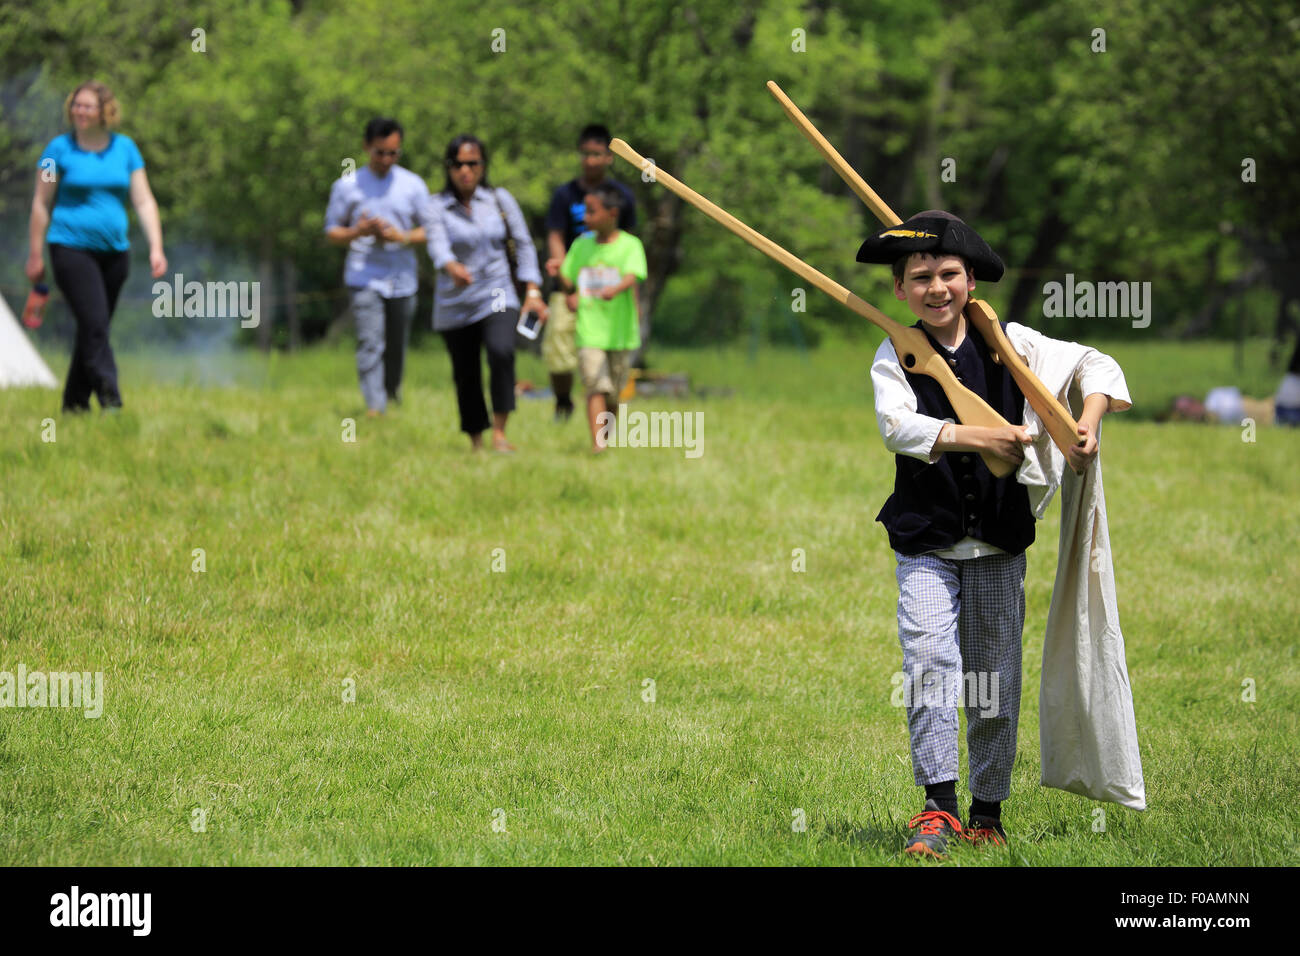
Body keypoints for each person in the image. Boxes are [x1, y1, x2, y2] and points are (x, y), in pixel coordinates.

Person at [861, 210, 1131, 858]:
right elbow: (899, 427)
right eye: (920, 277)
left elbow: (1097, 365)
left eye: (948, 274)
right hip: (926, 544)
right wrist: (982, 436)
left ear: (970, 280)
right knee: (930, 668)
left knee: (993, 681)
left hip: (997, 549)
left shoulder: (1013, 345)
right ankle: (937, 809)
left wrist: (1083, 422)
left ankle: (987, 812)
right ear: (900, 289)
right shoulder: (896, 353)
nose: (936, 288)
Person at [26, 80, 167, 412]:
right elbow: (40, 204)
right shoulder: (55, 152)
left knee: (95, 327)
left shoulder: (126, 149)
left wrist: (156, 247)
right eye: (76, 104)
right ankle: (111, 401)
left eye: (88, 105)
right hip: (70, 248)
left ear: (105, 110)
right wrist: (35, 253)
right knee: (94, 324)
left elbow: (144, 201)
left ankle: (74, 405)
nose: (80, 111)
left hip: (116, 252)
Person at [425, 134, 545, 452]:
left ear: (482, 165)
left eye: (472, 163)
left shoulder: (499, 200)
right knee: (466, 372)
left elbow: (523, 243)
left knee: (501, 351)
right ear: (448, 168)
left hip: (496, 292)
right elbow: (436, 244)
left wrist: (532, 288)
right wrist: (450, 266)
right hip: (456, 300)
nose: (465, 170)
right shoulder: (436, 206)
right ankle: (476, 439)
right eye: (458, 164)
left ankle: (500, 433)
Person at [324, 117, 428, 417]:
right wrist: (359, 231)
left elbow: (432, 229)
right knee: (371, 341)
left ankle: (391, 391)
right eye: (380, 152)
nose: (386, 159)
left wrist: (401, 236)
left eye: (393, 153)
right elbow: (332, 231)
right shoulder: (346, 186)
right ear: (366, 147)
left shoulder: (413, 185)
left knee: (395, 345)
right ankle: (374, 406)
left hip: (402, 277)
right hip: (364, 276)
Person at [544, 124, 638, 422]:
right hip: (571, 281)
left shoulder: (621, 196)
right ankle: (562, 400)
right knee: (559, 355)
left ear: (609, 157)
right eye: (585, 154)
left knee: (608, 366)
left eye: (597, 154)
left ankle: (606, 428)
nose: (591, 160)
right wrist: (568, 285)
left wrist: (629, 296)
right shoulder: (565, 194)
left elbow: (628, 247)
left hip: (608, 293)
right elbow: (555, 236)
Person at [559, 184, 647, 453]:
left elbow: (634, 275)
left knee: (613, 393)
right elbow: (568, 276)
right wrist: (567, 289)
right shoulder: (581, 245)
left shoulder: (630, 245)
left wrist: (617, 288)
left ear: (612, 213)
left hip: (619, 332)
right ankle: (598, 445)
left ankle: (606, 440)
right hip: (590, 330)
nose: (586, 218)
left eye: (591, 211)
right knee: (595, 385)